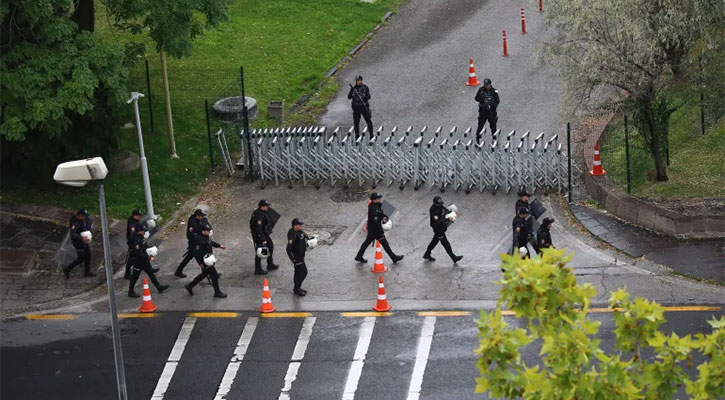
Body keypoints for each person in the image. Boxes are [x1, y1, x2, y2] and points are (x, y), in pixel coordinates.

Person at [355, 192, 403, 263]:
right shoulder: (373, 209)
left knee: (366, 243)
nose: (380, 199)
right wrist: (380, 232)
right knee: (385, 244)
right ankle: (394, 258)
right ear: (374, 200)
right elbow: (375, 221)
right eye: (378, 198)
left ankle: (359, 256)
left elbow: (380, 213)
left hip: (372, 229)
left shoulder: (376, 205)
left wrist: (385, 216)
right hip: (375, 230)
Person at [185, 223, 227, 298]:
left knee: (204, 274)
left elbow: (211, 242)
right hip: (205, 261)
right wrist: (200, 263)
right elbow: (197, 253)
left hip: (208, 259)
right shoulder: (199, 240)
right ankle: (217, 292)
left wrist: (219, 246)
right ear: (203, 231)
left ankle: (190, 285)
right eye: (208, 230)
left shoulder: (206, 237)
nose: (210, 231)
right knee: (214, 276)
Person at [128, 223, 169, 297]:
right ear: (139, 231)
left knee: (151, 273)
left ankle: (159, 287)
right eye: (143, 231)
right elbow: (139, 253)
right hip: (138, 261)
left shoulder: (141, 238)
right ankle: (130, 292)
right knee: (134, 277)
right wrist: (149, 257)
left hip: (144, 260)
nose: (144, 232)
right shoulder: (136, 240)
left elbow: (144, 249)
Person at [423, 196, 463, 263]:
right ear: (435, 203)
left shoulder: (440, 206)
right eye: (439, 204)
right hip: (437, 228)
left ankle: (427, 254)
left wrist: (452, 213)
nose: (441, 205)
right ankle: (453, 257)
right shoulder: (434, 210)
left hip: (441, 227)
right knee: (445, 243)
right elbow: (437, 221)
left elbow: (445, 211)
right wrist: (447, 219)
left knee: (435, 241)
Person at [175, 209, 208, 278]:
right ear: (198, 216)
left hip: (196, 242)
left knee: (189, 257)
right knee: (199, 257)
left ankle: (179, 271)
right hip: (194, 243)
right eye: (201, 216)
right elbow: (190, 234)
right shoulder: (192, 222)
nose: (202, 217)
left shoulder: (197, 220)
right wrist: (199, 236)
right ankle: (207, 272)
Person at [63, 209, 95, 278]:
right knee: (81, 258)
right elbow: (73, 234)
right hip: (78, 242)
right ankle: (67, 269)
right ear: (79, 216)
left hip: (84, 241)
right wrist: (81, 238)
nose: (85, 217)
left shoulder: (83, 220)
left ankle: (87, 271)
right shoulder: (75, 223)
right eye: (84, 216)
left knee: (88, 255)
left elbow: (88, 223)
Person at [250, 200, 280, 275]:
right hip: (259, 235)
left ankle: (270, 264)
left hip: (264, 233)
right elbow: (258, 229)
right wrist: (263, 239)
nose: (268, 208)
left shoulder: (261, 212)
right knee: (260, 251)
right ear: (262, 207)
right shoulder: (259, 216)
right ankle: (258, 269)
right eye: (266, 206)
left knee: (270, 246)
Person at [286, 218, 309, 296]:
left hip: (301, 256)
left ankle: (297, 288)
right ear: (295, 226)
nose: (301, 226)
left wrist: (308, 237)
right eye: (300, 225)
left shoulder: (299, 232)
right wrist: (293, 259)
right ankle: (296, 288)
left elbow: (304, 236)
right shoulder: (292, 235)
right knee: (303, 272)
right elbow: (288, 249)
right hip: (297, 257)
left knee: (298, 272)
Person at [348, 75, 374, 140]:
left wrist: (363, 98)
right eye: (357, 81)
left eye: (359, 80)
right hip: (356, 108)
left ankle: (371, 134)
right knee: (356, 123)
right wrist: (352, 93)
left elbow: (368, 96)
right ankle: (357, 136)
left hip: (363, 107)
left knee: (368, 121)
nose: (358, 82)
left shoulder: (365, 88)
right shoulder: (353, 88)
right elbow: (349, 97)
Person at [474, 78, 500, 143]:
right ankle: (477, 139)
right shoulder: (481, 90)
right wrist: (483, 100)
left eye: (487, 85)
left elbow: (497, 101)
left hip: (491, 111)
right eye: (485, 84)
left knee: (493, 126)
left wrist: (491, 105)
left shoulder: (494, 91)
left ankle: (494, 139)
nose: (486, 86)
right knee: (480, 125)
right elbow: (476, 98)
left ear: (490, 84)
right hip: (483, 111)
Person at [124, 209, 143, 279]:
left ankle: (148, 268)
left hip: (138, 242)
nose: (140, 217)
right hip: (133, 243)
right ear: (135, 216)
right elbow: (132, 234)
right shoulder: (132, 223)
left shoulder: (136, 221)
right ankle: (127, 273)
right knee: (131, 258)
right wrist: (139, 233)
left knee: (143, 254)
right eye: (138, 216)